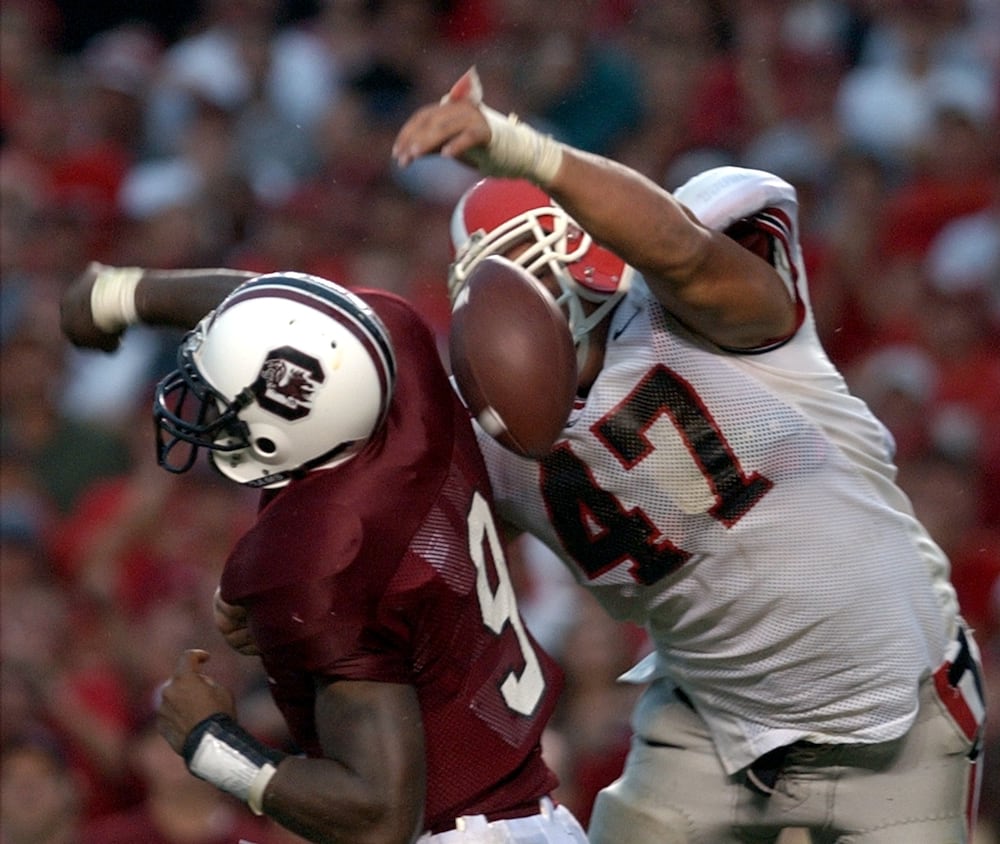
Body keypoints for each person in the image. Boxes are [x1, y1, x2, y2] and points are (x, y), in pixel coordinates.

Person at [387, 69, 987, 842]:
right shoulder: (497, 449)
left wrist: (517, 148)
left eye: (520, 272)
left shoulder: (702, 312)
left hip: (893, 718)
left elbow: (680, 249)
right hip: (707, 734)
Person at [60, 267, 588, 844]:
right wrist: (123, 295)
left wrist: (209, 742)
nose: (203, 405)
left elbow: (382, 818)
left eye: (218, 398)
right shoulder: (392, 344)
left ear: (272, 437)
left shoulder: (317, 557)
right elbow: (293, 312)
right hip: (518, 808)